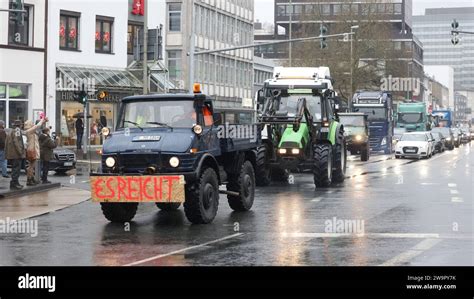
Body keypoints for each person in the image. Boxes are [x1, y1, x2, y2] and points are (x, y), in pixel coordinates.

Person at [23, 117, 47, 186]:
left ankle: (31, 178)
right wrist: (42, 120)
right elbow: (37, 126)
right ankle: (29, 179)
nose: (33, 124)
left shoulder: (30, 131)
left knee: (31, 166)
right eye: (32, 124)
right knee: (31, 166)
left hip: (32, 149)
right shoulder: (29, 131)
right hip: (32, 150)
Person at [5, 120, 25, 190]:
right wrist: (20, 152)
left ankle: (15, 183)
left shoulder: (11, 131)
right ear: (20, 125)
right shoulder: (17, 130)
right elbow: (17, 142)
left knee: (15, 168)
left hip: (13, 153)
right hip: (16, 154)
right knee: (16, 169)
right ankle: (14, 183)